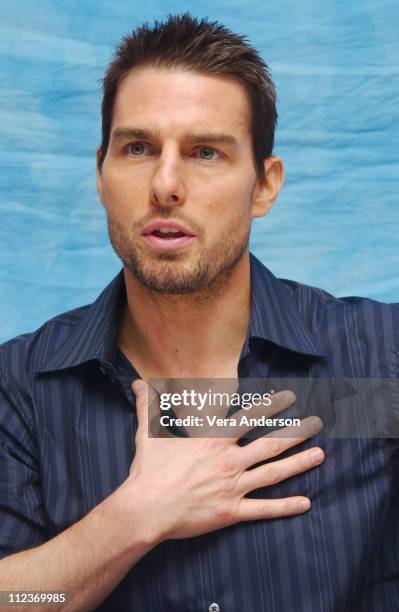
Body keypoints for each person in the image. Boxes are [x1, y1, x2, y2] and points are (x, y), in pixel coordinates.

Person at [0, 13, 398, 612]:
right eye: (138, 148)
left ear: (264, 186)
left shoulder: (379, 359)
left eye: (205, 152)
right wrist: (132, 519)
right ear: (101, 175)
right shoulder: (22, 386)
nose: (165, 184)